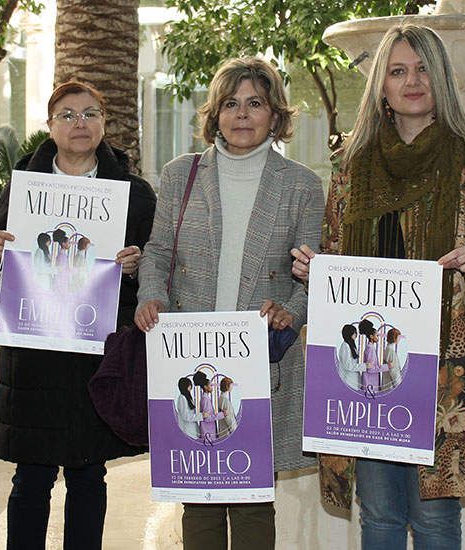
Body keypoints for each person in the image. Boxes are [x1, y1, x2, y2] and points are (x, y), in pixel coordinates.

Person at [290, 24, 465, 549]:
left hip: (446, 366)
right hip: (369, 364)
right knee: (380, 515)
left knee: (436, 518)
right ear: (382, 86)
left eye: (421, 69)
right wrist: (319, 271)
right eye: (397, 71)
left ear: (440, 78)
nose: (411, 81)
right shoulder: (352, 161)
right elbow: (335, 248)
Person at [135, 56, 324, 549]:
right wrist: (151, 294)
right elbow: (156, 251)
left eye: (255, 104)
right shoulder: (182, 175)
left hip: (259, 358)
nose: (242, 115)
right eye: (231, 104)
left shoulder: (303, 185)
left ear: (275, 115)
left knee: (252, 494)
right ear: (215, 115)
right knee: (196, 492)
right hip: (191, 355)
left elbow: (313, 271)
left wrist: (292, 309)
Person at [0, 80, 157, 550]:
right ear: (50, 126)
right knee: (31, 479)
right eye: (68, 115)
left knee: (89, 476)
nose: (80, 123)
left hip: (96, 356)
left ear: (104, 124)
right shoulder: (22, 186)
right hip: (35, 354)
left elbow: (160, 271)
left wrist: (135, 268)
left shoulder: (134, 194)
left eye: (90, 113)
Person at [337, 323, 367, 389]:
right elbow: (348, 365)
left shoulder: (351, 345)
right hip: (349, 380)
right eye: (354, 333)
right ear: (349, 334)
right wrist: (365, 366)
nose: (356, 335)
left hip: (353, 380)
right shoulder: (345, 346)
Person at [196, 372, 223, 442]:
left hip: (209, 432)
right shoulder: (205, 399)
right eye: (210, 385)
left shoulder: (206, 398)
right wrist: (222, 414)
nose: (212, 387)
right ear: (205, 387)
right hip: (207, 433)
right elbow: (207, 418)